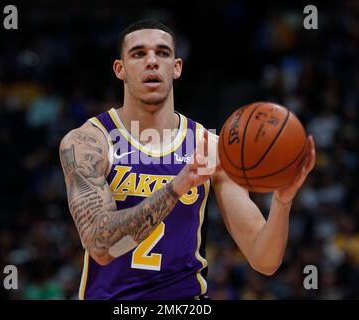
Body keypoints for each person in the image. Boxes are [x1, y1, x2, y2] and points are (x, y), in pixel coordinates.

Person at [59, 19, 316, 300]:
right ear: (120, 69)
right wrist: (176, 187)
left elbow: (264, 260)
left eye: (162, 53)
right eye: (138, 53)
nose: (152, 62)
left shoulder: (211, 147)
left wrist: (282, 201)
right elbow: (101, 247)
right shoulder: (90, 141)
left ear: (177, 67)